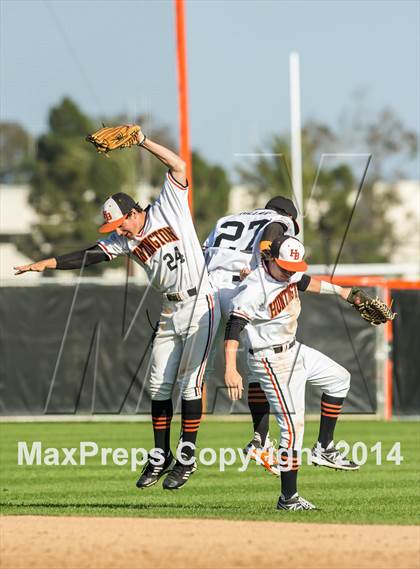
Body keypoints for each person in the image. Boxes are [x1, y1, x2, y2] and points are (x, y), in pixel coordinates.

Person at [14, 128, 219, 490]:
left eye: (120, 223)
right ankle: (161, 456)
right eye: (113, 227)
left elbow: (179, 164)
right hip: (170, 311)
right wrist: (45, 263)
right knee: (158, 385)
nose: (118, 231)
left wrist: (142, 142)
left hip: (202, 301)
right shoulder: (121, 240)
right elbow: (89, 255)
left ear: (133, 212)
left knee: (190, 387)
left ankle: (186, 457)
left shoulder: (167, 206)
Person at [224, 235, 359, 511]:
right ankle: (288, 498)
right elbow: (234, 326)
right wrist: (230, 367)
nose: (289, 272)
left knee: (339, 379)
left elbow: (306, 281)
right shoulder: (255, 287)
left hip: (294, 349)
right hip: (271, 360)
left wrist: (343, 292)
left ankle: (324, 447)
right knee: (293, 430)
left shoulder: (289, 273)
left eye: (292, 267)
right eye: (284, 266)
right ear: (270, 258)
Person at [203, 197, 298, 474]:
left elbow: (203, 252)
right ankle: (260, 439)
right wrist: (265, 262)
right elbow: (271, 235)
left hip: (206, 289)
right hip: (238, 286)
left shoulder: (226, 219)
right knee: (265, 357)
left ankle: (257, 439)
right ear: (288, 215)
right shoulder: (279, 220)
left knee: (194, 372)